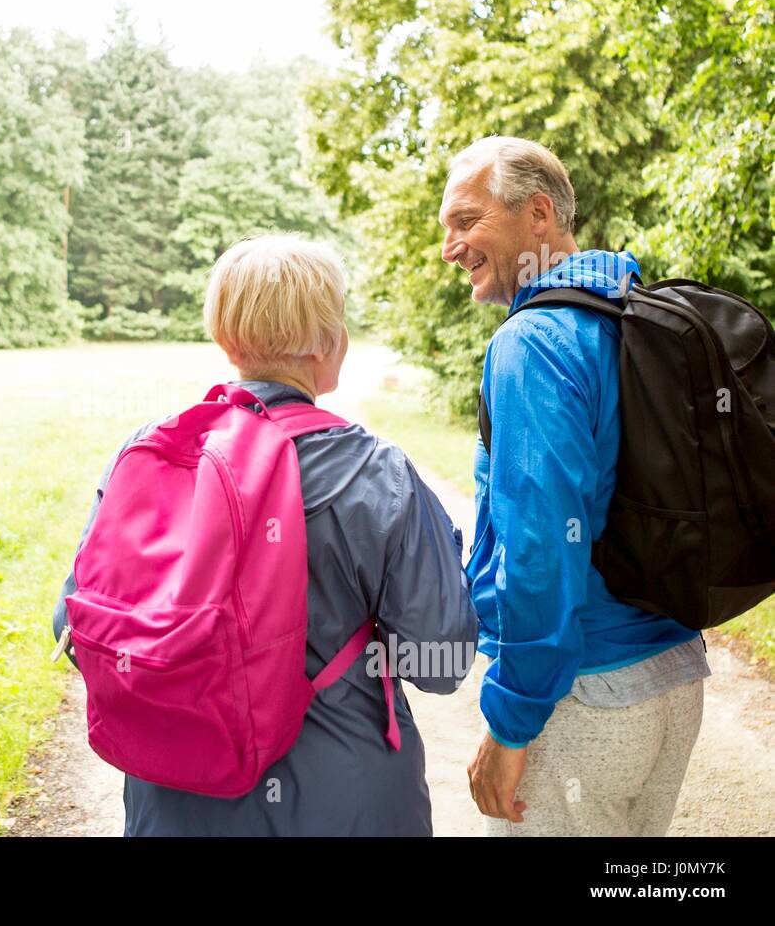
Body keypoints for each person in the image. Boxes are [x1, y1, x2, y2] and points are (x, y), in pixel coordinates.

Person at [52, 233, 478, 835]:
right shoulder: (378, 473)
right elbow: (444, 659)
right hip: (346, 803)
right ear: (329, 342)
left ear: (226, 337)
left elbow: (72, 627)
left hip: (175, 799)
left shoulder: (151, 451)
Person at [439, 136, 711, 836]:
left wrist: (511, 724)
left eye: (466, 221)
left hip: (586, 698)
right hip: (674, 679)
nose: (449, 247)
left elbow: (539, 549)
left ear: (537, 213)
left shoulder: (533, 342)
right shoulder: (628, 316)